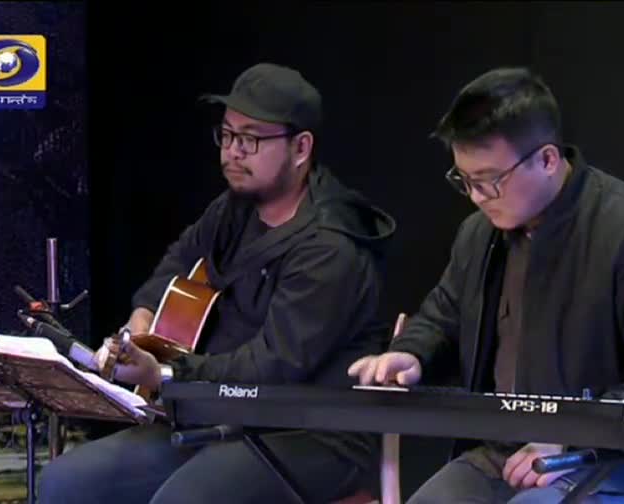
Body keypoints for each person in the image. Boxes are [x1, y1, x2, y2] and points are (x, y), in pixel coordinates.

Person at [348, 67, 624, 503]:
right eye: (464, 181)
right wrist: (410, 353)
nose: (476, 196)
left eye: (489, 181)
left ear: (547, 159)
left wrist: (570, 436)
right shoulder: (479, 235)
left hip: (615, 464)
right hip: (502, 454)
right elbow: (443, 316)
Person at [38, 62, 396, 504]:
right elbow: (175, 265)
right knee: (64, 481)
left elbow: (273, 368)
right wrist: (141, 324)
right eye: (226, 136)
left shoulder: (332, 246)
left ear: (301, 148)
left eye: (250, 139)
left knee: (183, 500)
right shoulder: (235, 208)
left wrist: (167, 374)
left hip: (312, 430)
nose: (232, 153)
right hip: (220, 413)